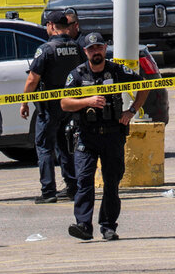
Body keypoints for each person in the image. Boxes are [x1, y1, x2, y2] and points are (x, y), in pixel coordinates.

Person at [61, 32, 146, 241]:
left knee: (111, 183)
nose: (95, 52)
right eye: (91, 49)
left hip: (112, 136)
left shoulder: (116, 71)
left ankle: (108, 226)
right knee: (84, 181)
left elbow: (144, 85)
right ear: (85, 52)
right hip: (86, 136)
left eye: (99, 47)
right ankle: (83, 225)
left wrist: (131, 111)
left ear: (105, 47)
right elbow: (64, 102)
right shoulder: (78, 74)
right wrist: (87, 101)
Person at [19, 9, 84, 204]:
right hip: (71, 104)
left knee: (45, 147)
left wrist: (24, 101)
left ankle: (48, 191)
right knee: (65, 146)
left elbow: (32, 79)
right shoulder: (76, 47)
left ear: (51, 26)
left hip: (49, 106)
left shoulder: (46, 49)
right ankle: (72, 187)